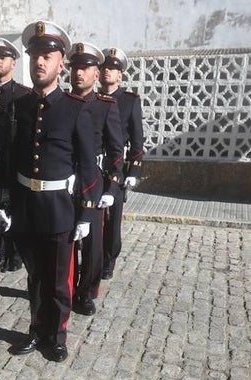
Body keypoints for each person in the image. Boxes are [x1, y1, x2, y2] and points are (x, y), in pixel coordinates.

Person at [6, 20, 98, 363]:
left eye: (47, 56)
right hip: (27, 206)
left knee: (58, 280)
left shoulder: (76, 108)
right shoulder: (21, 106)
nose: (39, 62)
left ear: (61, 64)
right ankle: (36, 328)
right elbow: (13, 157)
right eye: (35, 56)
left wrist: (86, 212)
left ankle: (56, 336)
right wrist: (6, 202)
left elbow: (88, 166)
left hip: (59, 207)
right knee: (35, 277)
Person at [68, 41, 124, 317]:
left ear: (96, 73)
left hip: (94, 181)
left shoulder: (106, 106)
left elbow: (116, 150)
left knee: (93, 243)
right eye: (75, 67)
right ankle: (66, 288)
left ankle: (87, 292)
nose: (79, 73)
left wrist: (112, 186)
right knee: (66, 239)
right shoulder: (63, 104)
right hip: (67, 180)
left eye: (85, 68)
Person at [0, 38, 31, 274]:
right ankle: (2, 252)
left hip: (14, 160)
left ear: (13, 62)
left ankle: (16, 253)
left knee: (15, 207)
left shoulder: (23, 94)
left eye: (3, 58)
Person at [98, 46, 143, 279]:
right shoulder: (92, 98)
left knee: (112, 217)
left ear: (120, 75)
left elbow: (137, 139)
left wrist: (133, 170)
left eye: (112, 68)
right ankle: (93, 257)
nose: (107, 71)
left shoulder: (129, 101)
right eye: (104, 67)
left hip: (116, 167)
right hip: (93, 165)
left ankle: (109, 259)